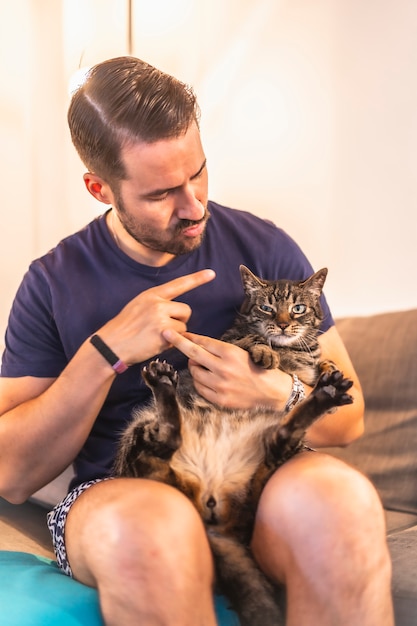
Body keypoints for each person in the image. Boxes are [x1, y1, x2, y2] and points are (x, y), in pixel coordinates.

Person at [0, 56, 393, 626]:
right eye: (161, 194)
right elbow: (11, 475)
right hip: (126, 484)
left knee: (342, 504)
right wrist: (105, 352)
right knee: (155, 531)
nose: (194, 206)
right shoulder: (52, 281)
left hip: (258, 467)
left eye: (199, 173)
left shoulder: (263, 245)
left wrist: (271, 390)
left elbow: (349, 418)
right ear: (99, 188)